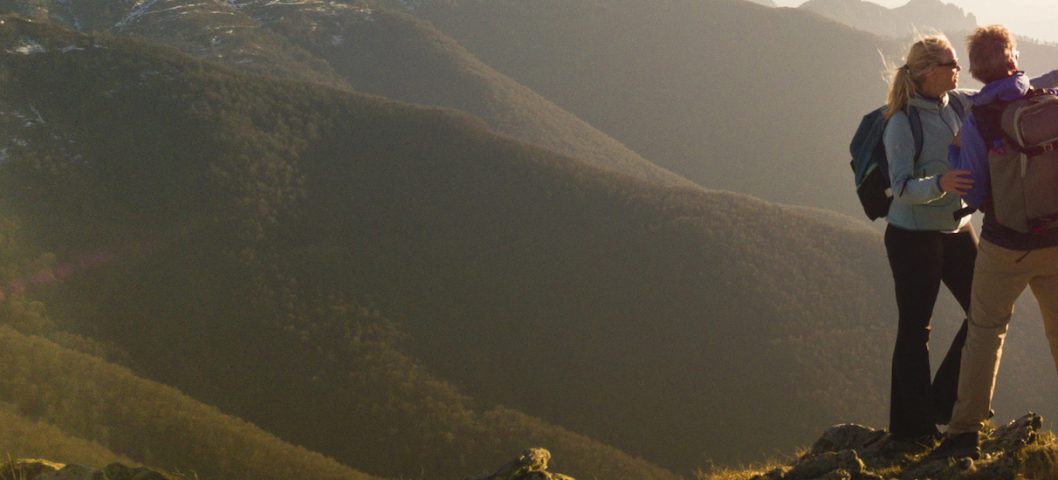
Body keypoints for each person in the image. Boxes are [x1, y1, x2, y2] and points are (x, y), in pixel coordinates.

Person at [933, 25, 1058, 460]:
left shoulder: (976, 122)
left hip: (1005, 246)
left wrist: (953, 154)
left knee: (985, 332)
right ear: (1012, 58)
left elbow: (969, 189)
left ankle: (965, 431)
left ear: (976, 71)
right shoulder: (1044, 98)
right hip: (1056, 240)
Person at [880, 34, 978, 450]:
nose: (959, 69)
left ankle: (942, 403)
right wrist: (940, 183)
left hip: (957, 229)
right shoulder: (902, 121)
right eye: (950, 63)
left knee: (987, 315)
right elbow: (899, 186)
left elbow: (997, 95)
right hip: (913, 237)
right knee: (915, 329)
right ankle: (910, 429)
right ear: (925, 71)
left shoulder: (955, 103)